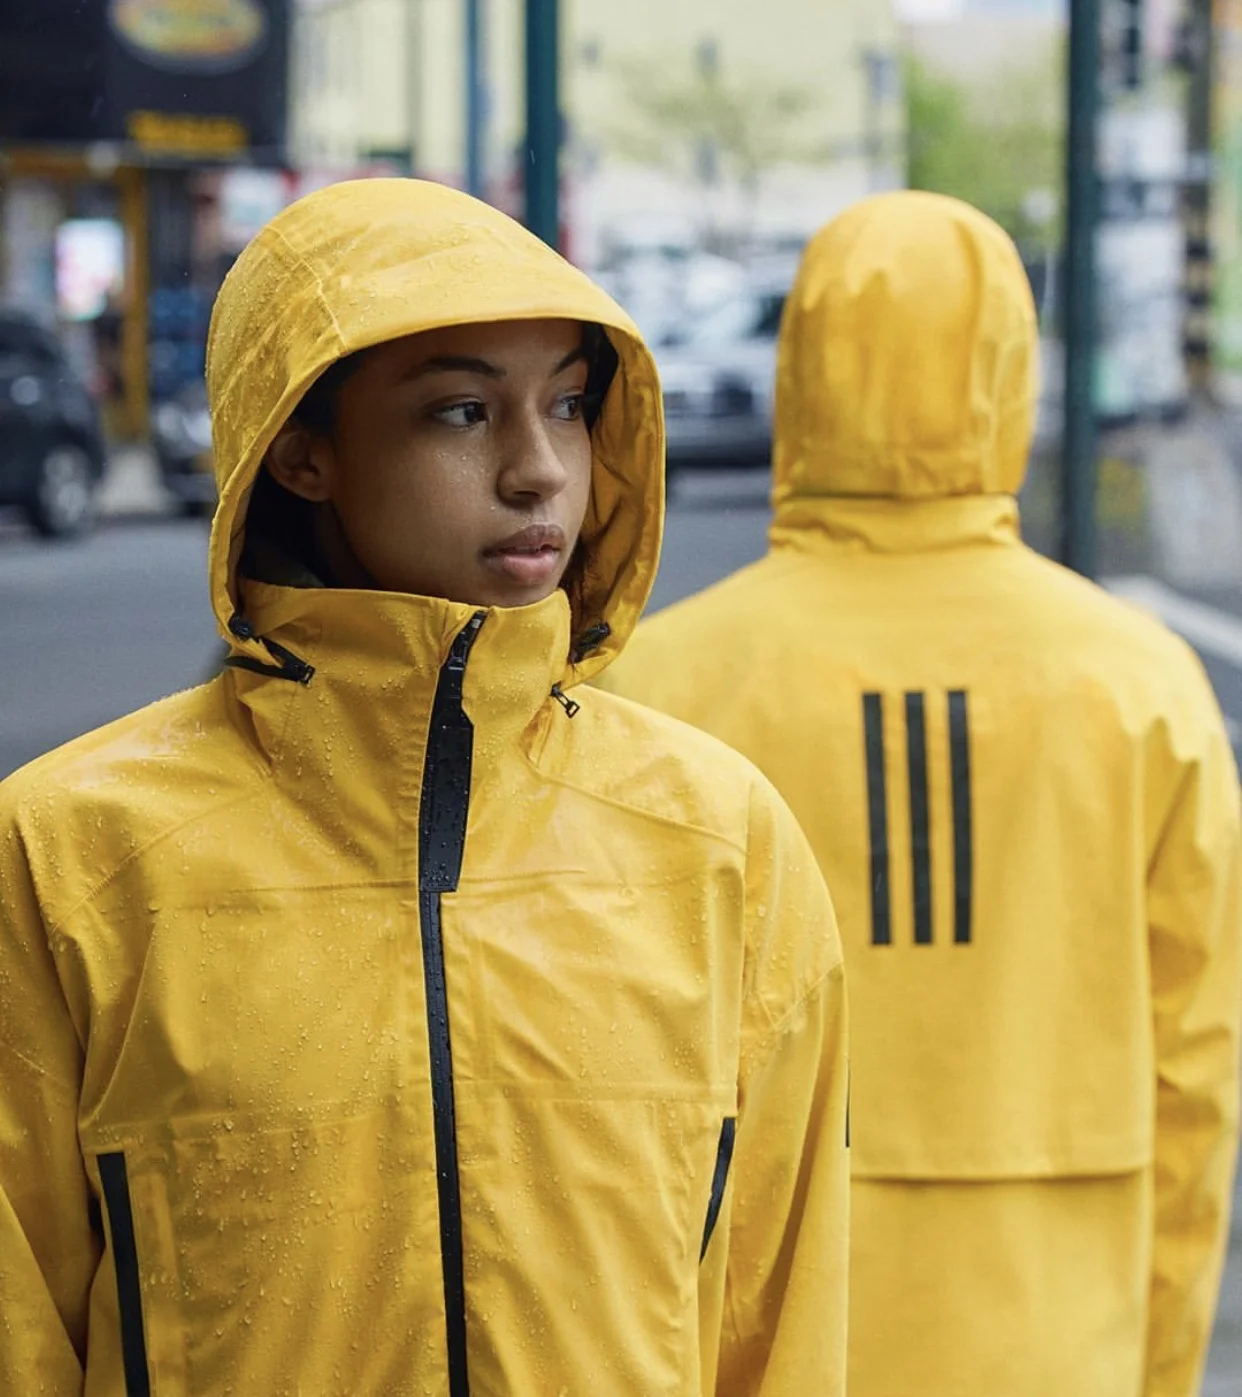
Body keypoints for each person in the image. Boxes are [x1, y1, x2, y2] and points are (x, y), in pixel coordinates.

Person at [0, 180, 849, 1395]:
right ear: (301, 448)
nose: (540, 470)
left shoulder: (719, 839)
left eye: (569, 403)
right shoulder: (71, 855)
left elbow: (779, 1315)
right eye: (462, 410)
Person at [600, 190, 1242, 1397]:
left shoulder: (658, 681)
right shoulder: (1141, 685)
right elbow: (1195, 1074)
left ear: (801, 372)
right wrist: (1159, 1361)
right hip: (1057, 1319)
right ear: (1011, 379)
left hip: (741, 1314)